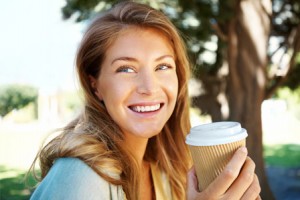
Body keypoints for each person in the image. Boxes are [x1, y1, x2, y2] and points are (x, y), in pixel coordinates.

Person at [30, 1, 261, 200]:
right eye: (126, 69)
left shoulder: (168, 169)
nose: (149, 88)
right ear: (95, 85)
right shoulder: (79, 179)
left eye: (162, 66)